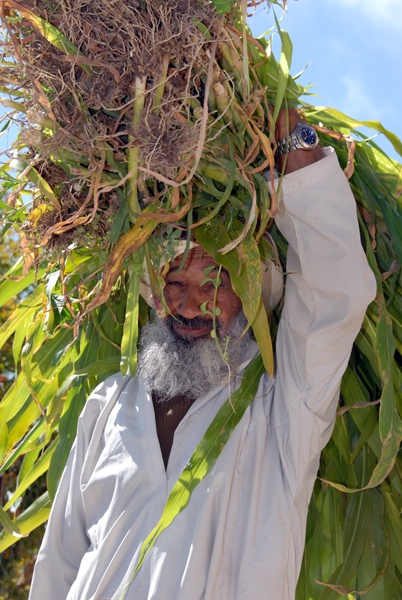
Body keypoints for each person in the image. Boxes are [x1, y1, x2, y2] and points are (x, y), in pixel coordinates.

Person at [28, 109, 376, 600]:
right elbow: (59, 562)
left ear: (254, 295)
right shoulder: (108, 405)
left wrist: (291, 141)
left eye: (216, 281)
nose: (190, 304)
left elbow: (336, 291)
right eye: (175, 281)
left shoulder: (284, 406)